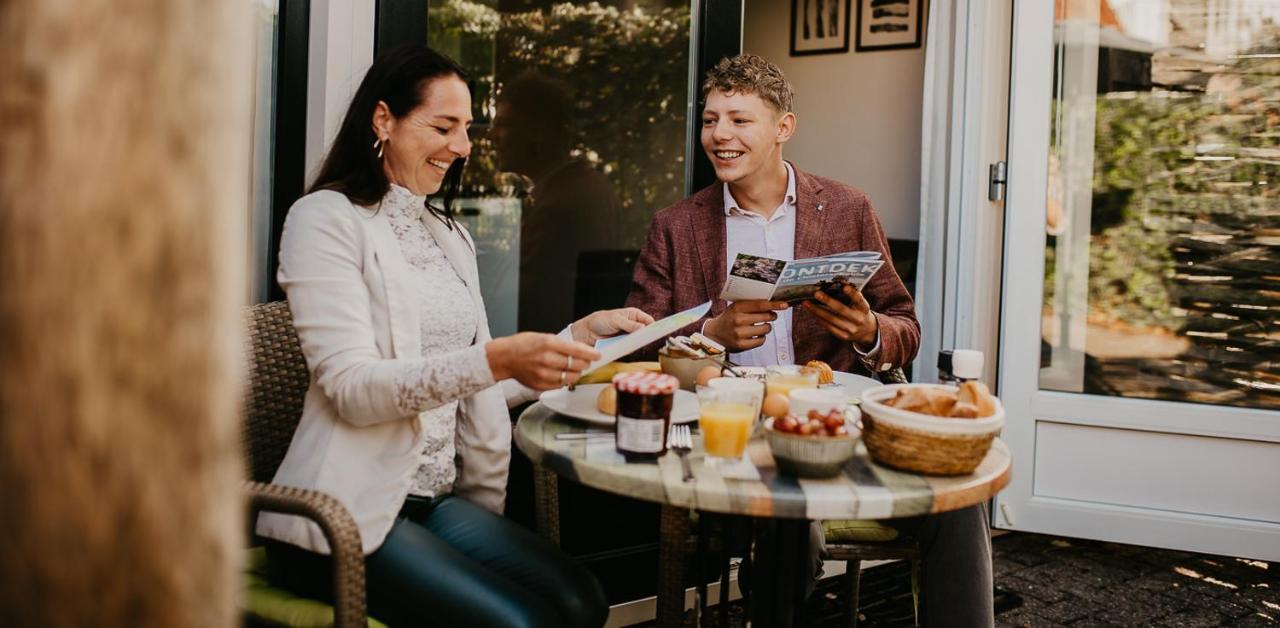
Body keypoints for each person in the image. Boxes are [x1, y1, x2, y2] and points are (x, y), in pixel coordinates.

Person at [258, 45, 650, 628]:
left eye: (466, 128)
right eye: (443, 126)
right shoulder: (323, 219)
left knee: (582, 600)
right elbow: (351, 389)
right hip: (340, 515)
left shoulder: (447, 234)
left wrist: (579, 336)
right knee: (524, 623)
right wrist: (495, 359)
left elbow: (476, 384)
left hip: (434, 502)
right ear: (383, 119)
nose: (463, 147)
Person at [626, 53, 993, 627]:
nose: (719, 134)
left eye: (739, 120)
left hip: (840, 425)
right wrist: (708, 333)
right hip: (738, 436)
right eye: (710, 120)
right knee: (789, 517)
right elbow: (637, 343)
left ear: (783, 128)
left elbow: (905, 327)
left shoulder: (848, 208)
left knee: (959, 497)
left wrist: (870, 332)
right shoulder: (676, 226)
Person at [490, 72, 622, 332]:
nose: (492, 135)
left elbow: (529, 303)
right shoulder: (586, 186)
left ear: (537, 132)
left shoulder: (560, 205)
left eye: (504, 124)